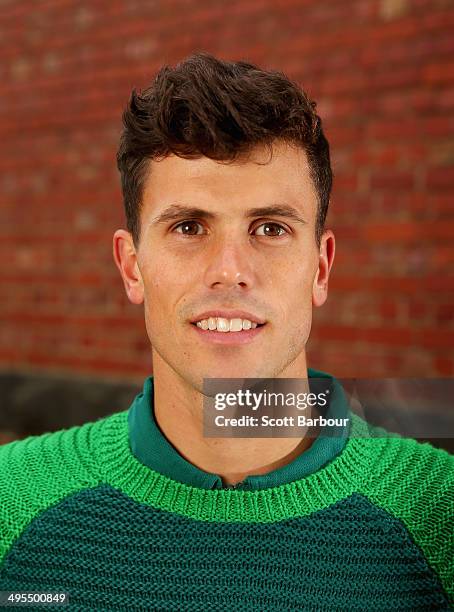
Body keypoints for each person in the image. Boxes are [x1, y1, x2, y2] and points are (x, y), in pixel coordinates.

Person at [0, 52, 452, 611]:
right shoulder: (12, 503)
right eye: (189, 227)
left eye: (270, 228)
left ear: (321, 267)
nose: (229, 270)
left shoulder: (439, 513)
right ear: (131, 265)